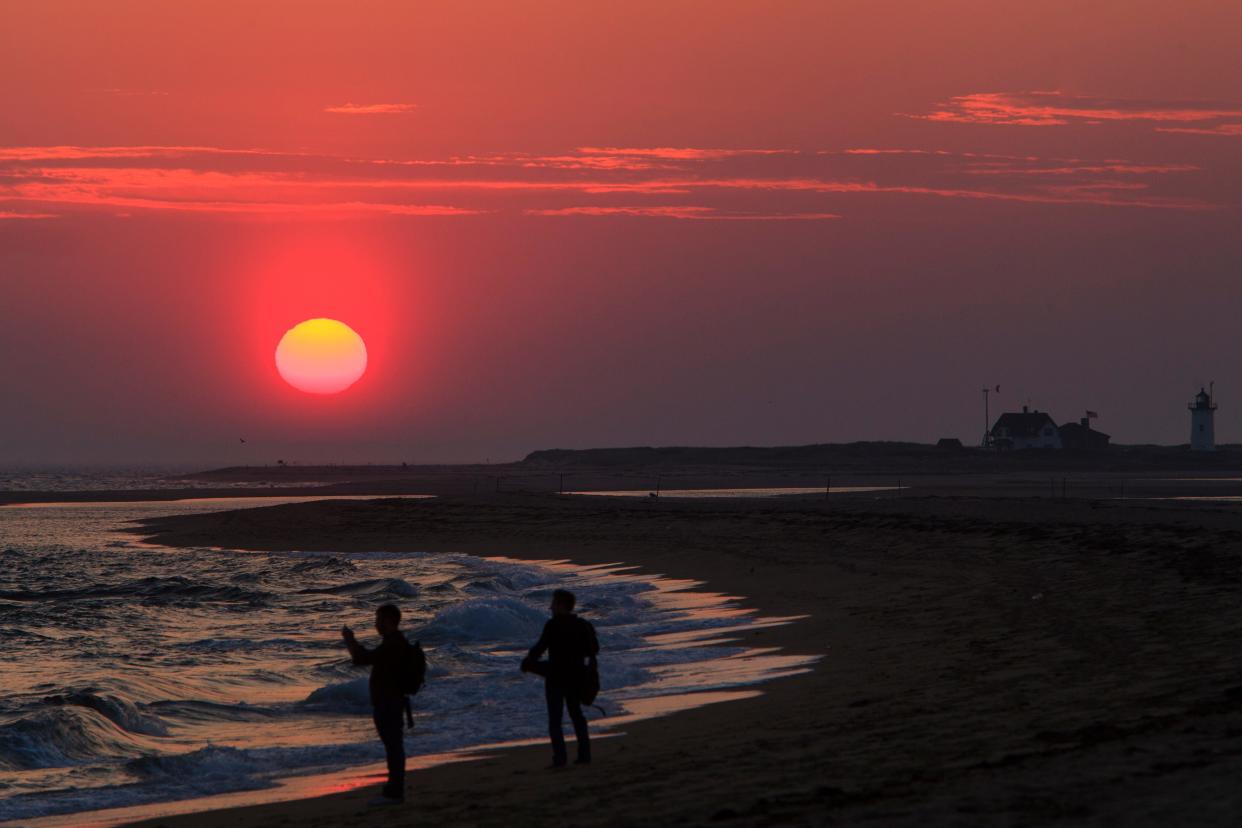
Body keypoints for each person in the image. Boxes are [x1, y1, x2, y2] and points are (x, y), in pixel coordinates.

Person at [342, 603, 413, 804]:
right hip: (392, 702)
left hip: (389, 704)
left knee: (393, 747)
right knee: (394, 746)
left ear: (389, 621)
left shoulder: (393, 644)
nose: (376, 624)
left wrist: (350, 640)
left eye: (378, 620)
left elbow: (362, 658)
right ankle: (394, 789)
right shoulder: (395, 642)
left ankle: (394, 792)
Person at [522, 588, 599, 768]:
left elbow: (539, 649)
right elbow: (593, 650)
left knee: (555, 720)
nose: (550, 607)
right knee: (576, 716)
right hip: (576, 676)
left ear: (560, 605)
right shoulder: (582, 625)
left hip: (556, 678)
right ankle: (584, 755)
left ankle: (560, 759)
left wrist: (529, 661)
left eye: (553, 604)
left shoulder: (553, 625)